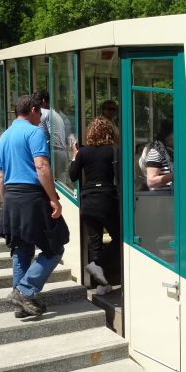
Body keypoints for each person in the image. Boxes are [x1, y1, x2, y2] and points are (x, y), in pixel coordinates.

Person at [0, 94, 69, 317]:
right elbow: (42, 166)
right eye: (41, 113)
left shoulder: (3, 137)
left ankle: (22, 306)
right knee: (56, 245)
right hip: (32, 196)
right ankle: (25, 291)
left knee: (22, 248)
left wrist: (5, 203)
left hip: (11, 198)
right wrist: (54, 199)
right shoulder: (34, 132)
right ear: (35, 110)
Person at [69, 116, 120, 294]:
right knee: (119, 237)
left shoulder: (83, 152)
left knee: (95, 243)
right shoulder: (114, 150)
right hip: (106, 198)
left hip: (87, 201)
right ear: (109, 132)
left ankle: (101, 285)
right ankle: (97, 264)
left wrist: (75, 157)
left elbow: (73, 176)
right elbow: (119, 177)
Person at [33, 89, 70, 157]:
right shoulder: (56, 114)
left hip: (52, 153)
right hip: (63, 152)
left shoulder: (42, 113)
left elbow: (40, 138)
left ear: (43, 101)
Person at [143, 119, 173, 190]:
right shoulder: (156, 151)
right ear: (167, 134)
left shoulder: (170, 150)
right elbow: (151, 181)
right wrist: (177, 174)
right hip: (162, 197)